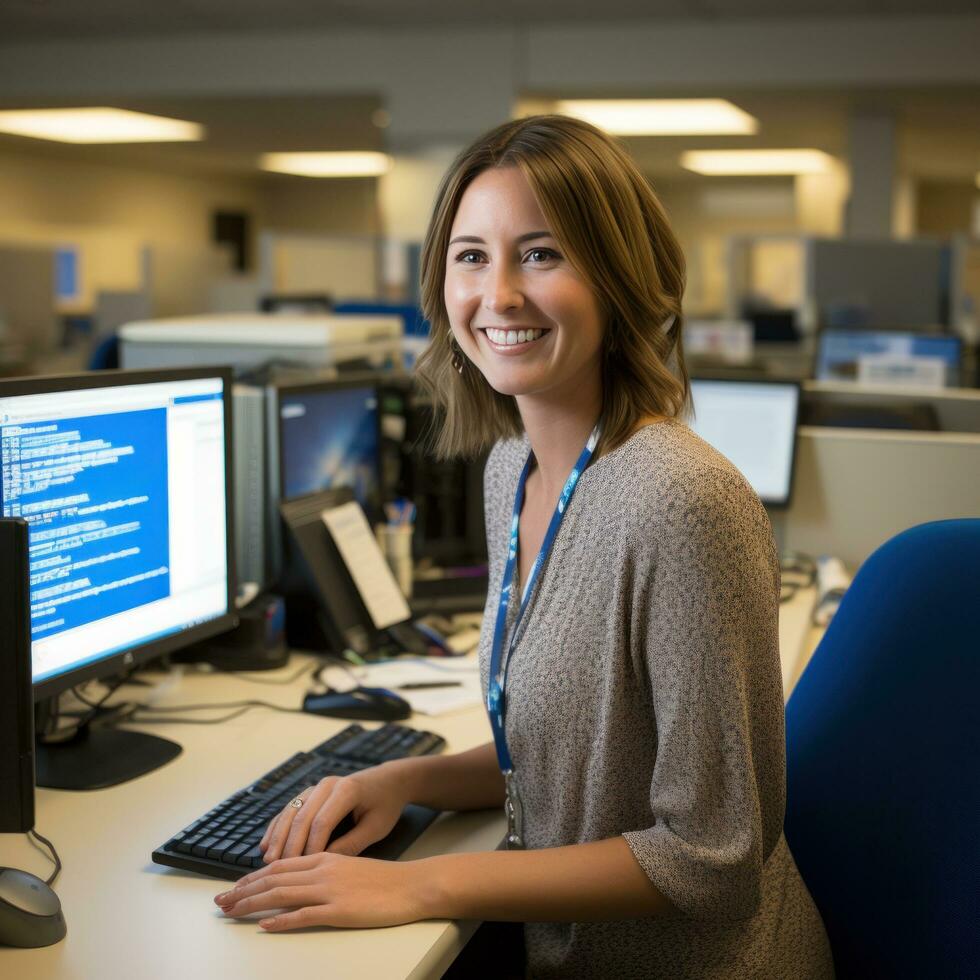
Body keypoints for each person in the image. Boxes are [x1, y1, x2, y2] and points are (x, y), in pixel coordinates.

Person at [213, 115, 834, 979]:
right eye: (471, 256)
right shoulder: (511, 469)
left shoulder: (682, 504)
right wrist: (405, 782)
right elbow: (566, 754)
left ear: (620, 279)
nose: (497, 295)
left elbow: (710, 857)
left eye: (541, 255)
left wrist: (430, 885)